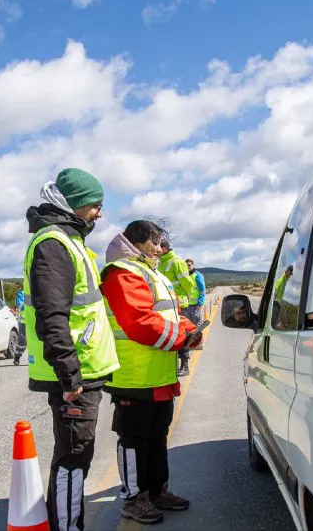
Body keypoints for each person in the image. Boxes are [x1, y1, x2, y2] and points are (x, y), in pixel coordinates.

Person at [23, 168, 120, 531]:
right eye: (95, 205)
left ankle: (66, 522)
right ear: (74, 204)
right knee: (73, 457)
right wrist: (69, 375)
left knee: (77, 454)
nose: (99, 213)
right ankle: (66, 527)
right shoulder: (54, 244)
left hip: (83, 371)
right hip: (73, 376)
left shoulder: (68, 240)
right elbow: (52, 315)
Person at [100, 220, 203, 525]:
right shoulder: (122, 273)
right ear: (139, 242)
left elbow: (168, 315)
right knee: (134, 440)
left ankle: (156, 491)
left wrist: (190, 330)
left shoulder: (152, 272)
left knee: (157, 436)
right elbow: (140, 322)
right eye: (156, 243)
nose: (161, 249)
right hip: (134, 376)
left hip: (158, 374)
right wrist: (182, 338)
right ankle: (134, 499)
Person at [158, 239, 197, 376]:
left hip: (179, 304)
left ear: (163, 248)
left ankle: (185, 366)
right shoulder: (160, 262)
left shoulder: (177, 261)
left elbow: (187, 283)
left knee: (183, 335)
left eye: (157, 246)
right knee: (170, 337)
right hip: (165, 306)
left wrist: (186, 297)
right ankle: (173, 366)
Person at [184, 259, 206, 350]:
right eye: (186, 266)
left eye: (189, 265)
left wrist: (200, 303)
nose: (187, 267)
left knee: (197, 325)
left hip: (196, 305)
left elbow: (202, 291)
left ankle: (199, 343)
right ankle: (191, 343)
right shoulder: (185, 276)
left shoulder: (197, 275)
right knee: (189, 326)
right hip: (187, 305)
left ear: (193, 265)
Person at [13, 289, 26, 365]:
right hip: (24, 321)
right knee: (22, 340)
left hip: (35, 319)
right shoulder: (22, 293)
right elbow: (20, 305)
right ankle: (17, 356)